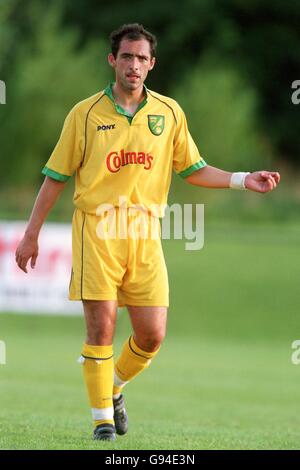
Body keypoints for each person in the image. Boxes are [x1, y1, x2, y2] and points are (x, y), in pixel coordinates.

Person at [15, 23, 280, 442]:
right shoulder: (83, 115)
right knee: (100, 328)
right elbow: (55, 176)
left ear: (151, 65)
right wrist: (31, 234)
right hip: (96, 232)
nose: (133, 65)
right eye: (126, 56)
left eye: (141, 58)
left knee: (152, 335)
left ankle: (114, 387)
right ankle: (103, 422)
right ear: (112, 61)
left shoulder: (169, 113)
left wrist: (243, 178)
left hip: (145, 234)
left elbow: (193, 168)